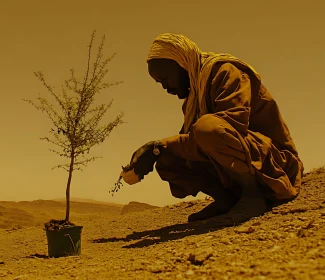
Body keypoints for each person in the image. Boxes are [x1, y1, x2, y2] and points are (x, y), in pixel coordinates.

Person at [127, 33, 304, 223]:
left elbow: (228, 129)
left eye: (165, 78)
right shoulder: (193, 100)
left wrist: (159, 145)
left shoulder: (226, 72)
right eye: (159, 83)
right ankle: (228, 200)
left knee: (205, 129)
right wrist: (157, 150)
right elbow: (191, 143)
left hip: (276, 163)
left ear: (183, 64)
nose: (165, 87)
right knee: (168, 155)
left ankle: (252, 196)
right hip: (249, 157)